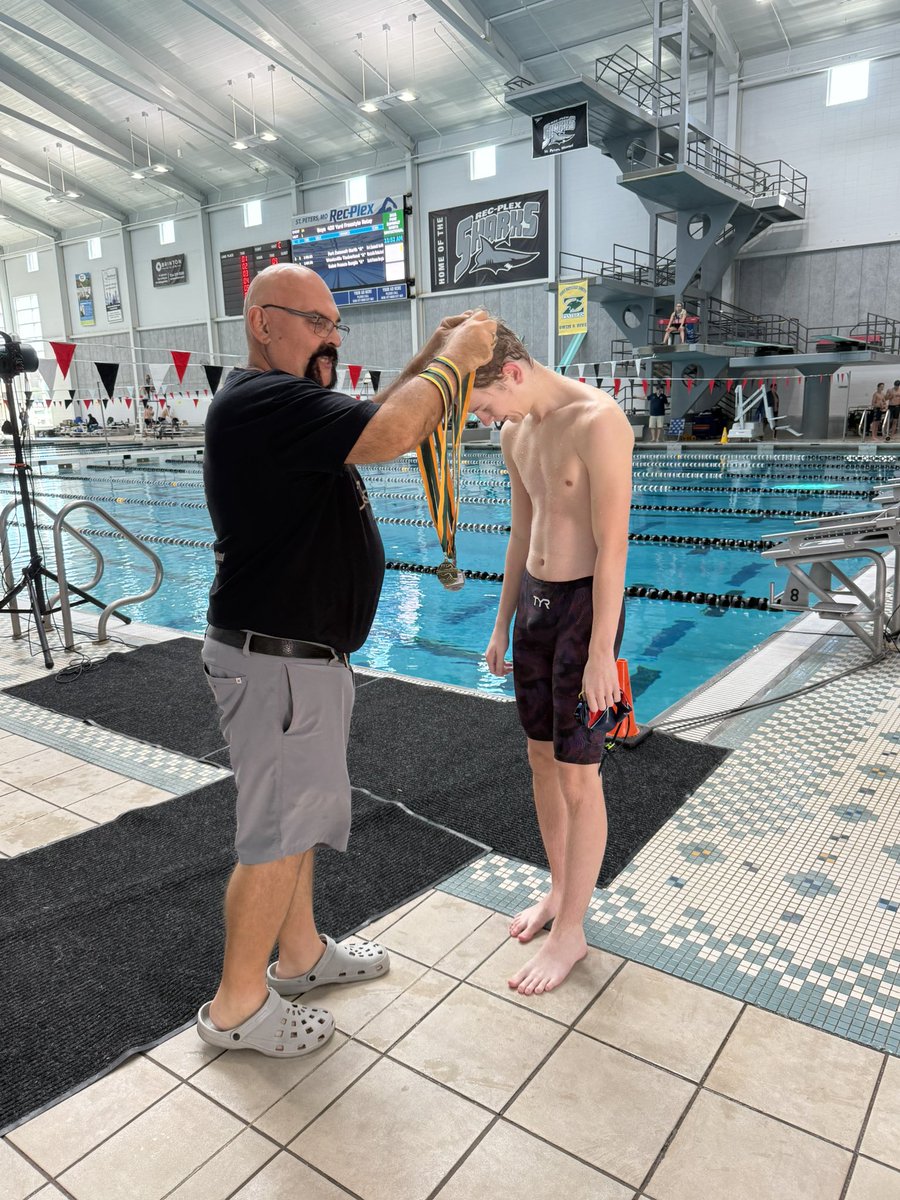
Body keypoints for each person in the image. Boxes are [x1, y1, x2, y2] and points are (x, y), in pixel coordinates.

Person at [196, 262, 496, 1057]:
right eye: (315, 323)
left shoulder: (283, 407)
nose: (331, 339)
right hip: (279, 660)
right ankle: (237, 1008)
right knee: (275, 837)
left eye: (337, 326)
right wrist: (458, 359)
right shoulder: (264, 401)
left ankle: (300, 957)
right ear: (264, 322)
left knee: (295, 824)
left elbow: (375, 415)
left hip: (295, 658)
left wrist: (430, 349)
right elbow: (395, 431)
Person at [473, 322, 632, 996]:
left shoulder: (599, 422)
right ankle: (561, 894)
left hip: (584, 615)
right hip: (535, 607)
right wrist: (501, 624)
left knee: (578, 775)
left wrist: (601, 652)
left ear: (512, 373)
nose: (485, 422)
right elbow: (520, 531)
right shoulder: (517, 434)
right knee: (540, 759)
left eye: (483, 406)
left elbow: (613, 545)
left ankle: (574, 930)